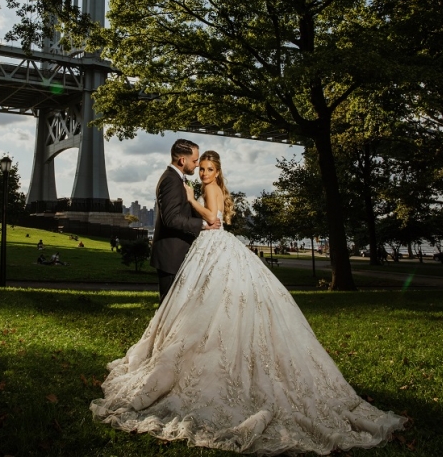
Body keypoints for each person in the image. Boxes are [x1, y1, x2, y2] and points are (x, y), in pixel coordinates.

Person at [90, 150, 406, 454]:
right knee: (213, 301)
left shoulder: (210, 189)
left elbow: (211, 218)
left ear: (218, 172)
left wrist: (190, 200)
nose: (204, 174)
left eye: (209, 169)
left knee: (213, 301)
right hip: (212, 247)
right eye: (202, 169)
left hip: (213, 244)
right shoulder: (213, 187)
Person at [148, 139, 220, 302]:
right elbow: (171, 218)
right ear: (182, 160)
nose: (197, 165)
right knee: (168, 306)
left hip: (176, 254)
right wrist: (203, 225)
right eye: (194, 161)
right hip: (171, 256)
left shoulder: (177, 179)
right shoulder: (171, 180)